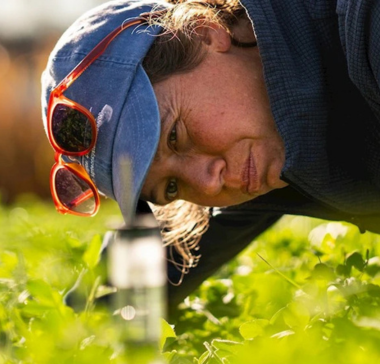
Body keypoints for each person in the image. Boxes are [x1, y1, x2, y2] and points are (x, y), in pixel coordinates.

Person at [41, 0, 380, 311]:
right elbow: (154, 265)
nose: (207, 184)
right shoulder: (260, 134)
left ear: (204, 31)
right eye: (171, 188)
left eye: (175, 135)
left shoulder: (367, 22)